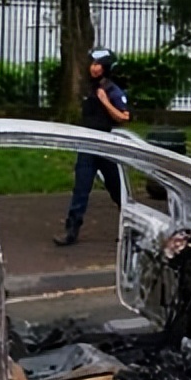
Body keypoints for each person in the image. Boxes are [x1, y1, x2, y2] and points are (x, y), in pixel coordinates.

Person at [53, 48, 131, 247]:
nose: (93, 68)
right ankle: (71, 230)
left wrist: (106, 102)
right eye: (92, 64)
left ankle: (133, 228)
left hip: (105, 147)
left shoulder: (113, 91)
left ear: (106, 68)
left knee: (116, 189)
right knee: (81, 188)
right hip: (87, 145)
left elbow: (124, 117)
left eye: (98, 65)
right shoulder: (89, 89)